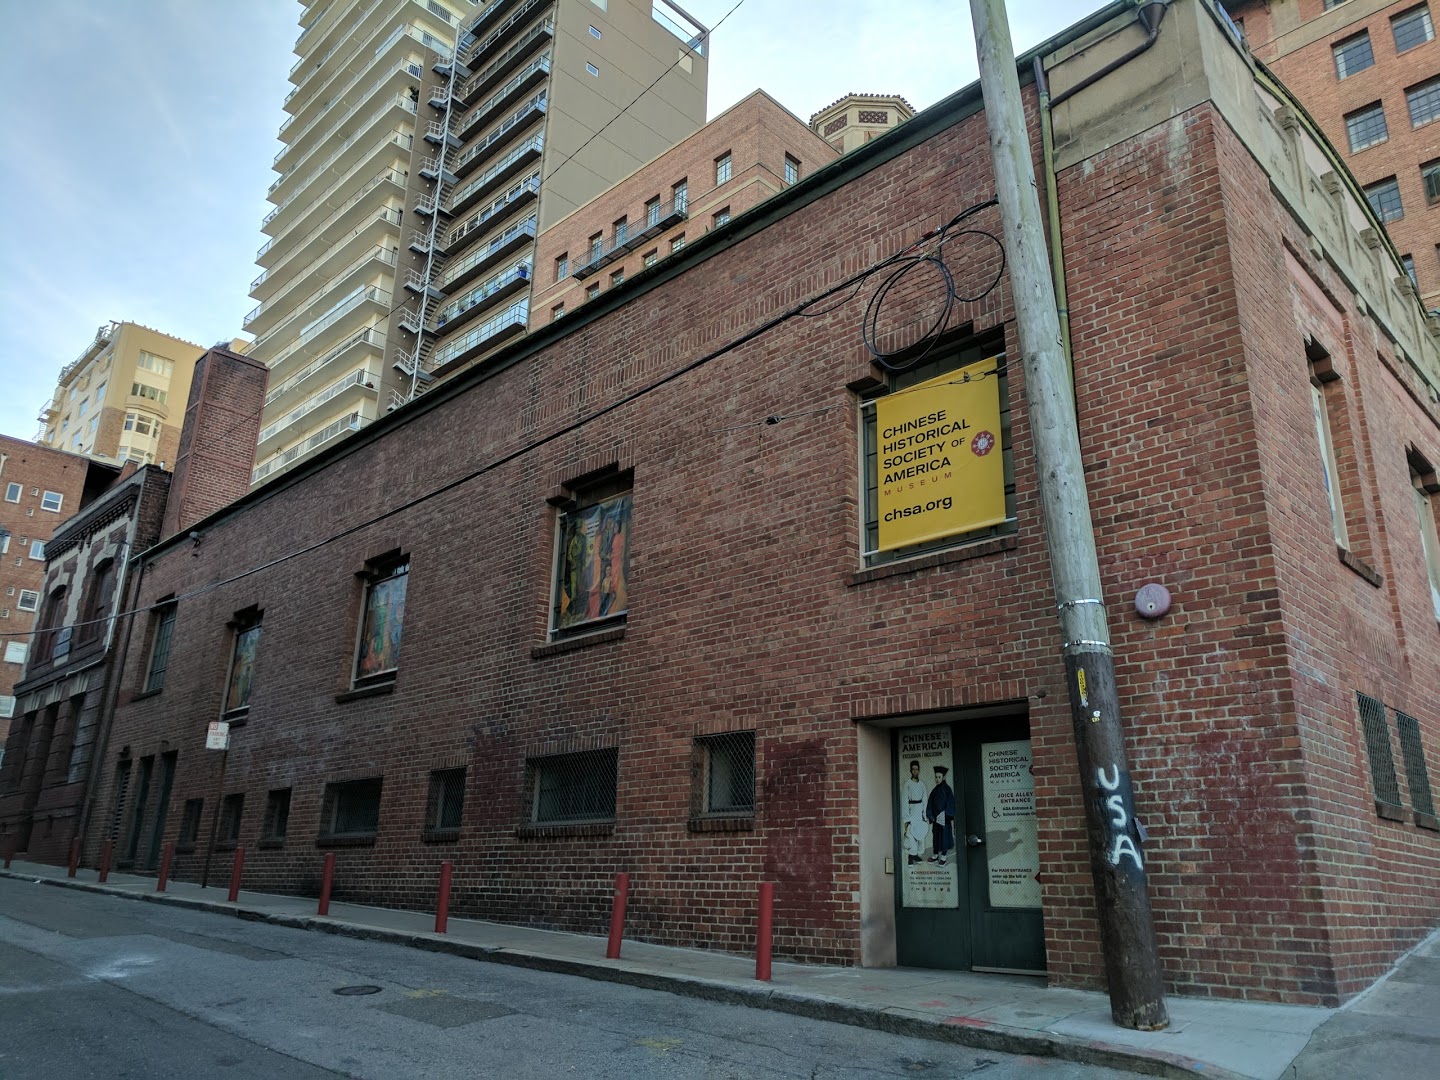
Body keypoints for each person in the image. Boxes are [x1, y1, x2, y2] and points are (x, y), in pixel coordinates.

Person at [926, 765, 957, 866]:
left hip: (944, 819)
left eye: (939, 777)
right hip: (936, 819)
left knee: (944, 838)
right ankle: (935, 856)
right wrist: (931, 816)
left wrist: (945, 814)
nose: (937, 779)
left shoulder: (947, 790)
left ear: (943, 777)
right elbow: (930, 804)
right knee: (936, 837)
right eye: (936, 777)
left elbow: (951, 804)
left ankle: (943, 857)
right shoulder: (934, 790)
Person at [902, 760, 928, 864]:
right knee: (911, 833)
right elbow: (904, 801)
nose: (915, 771)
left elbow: (925, 800)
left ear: (919, 770)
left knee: (920, 832)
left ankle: (916, 855)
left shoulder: (921, 784)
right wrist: (906, 818)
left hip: (919, 812)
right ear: (910, 770)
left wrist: (924, 814)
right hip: (911, 811)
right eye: (913, 769)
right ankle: (910, 857)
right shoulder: (907, 784)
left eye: (916, 769)